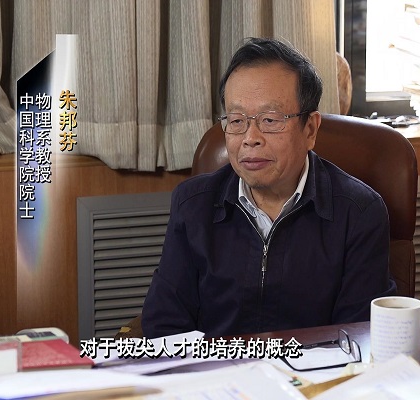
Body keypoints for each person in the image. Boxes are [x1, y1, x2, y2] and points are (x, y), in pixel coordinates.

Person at [141, 37, 396, 339]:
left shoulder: (359, 212)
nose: (250, 138)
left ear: (310, 129)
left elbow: (357, 337)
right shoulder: (193, 204)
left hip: (315, 369)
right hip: (217, 366)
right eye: (236, 120)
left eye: (270, 120)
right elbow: (164, 327)